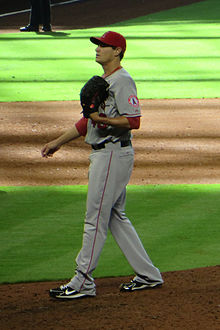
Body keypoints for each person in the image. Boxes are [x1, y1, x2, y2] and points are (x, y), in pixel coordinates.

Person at [41, 31, 163, 299]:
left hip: (111, 155)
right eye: (97, 45)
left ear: (117, 51)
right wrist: (58, 142)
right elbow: (88, 121)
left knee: (95, 217)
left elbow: (134, 120)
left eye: (104, 46)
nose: (98, 49)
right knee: (115, 216)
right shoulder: (106, 81)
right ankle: (148, 274)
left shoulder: (123, 80)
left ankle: (82, 280)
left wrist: (102, 120)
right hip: (107, 154)